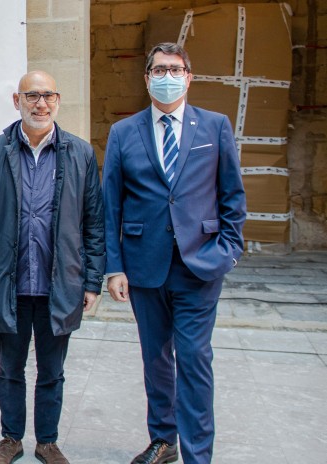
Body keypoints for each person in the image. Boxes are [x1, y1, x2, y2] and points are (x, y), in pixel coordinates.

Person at [102, 43, 246, 464]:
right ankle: (163, 441)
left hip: (200, 265)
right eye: (159, 69)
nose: (168, 76)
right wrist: (114, 267)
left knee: (195, 360)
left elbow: (232, 196)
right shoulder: (124, 133)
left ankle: (198, 455)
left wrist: (229, 251)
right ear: (147, 78)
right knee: (156, 359)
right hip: (144, 267)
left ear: (189, 76)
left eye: (175, 68)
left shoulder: (215, 127)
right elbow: (111, 205)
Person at [0, 71, 105, 464]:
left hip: (60, 284)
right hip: (8, 283)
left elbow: (94, 222)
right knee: (9, 369)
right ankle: (11, 439)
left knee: (52, 371)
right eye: (32, 96)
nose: (40, 103)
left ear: (57, 101)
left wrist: (92, 280)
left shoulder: (79, 153)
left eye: (48, 96)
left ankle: (47, 440)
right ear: (17, 101)